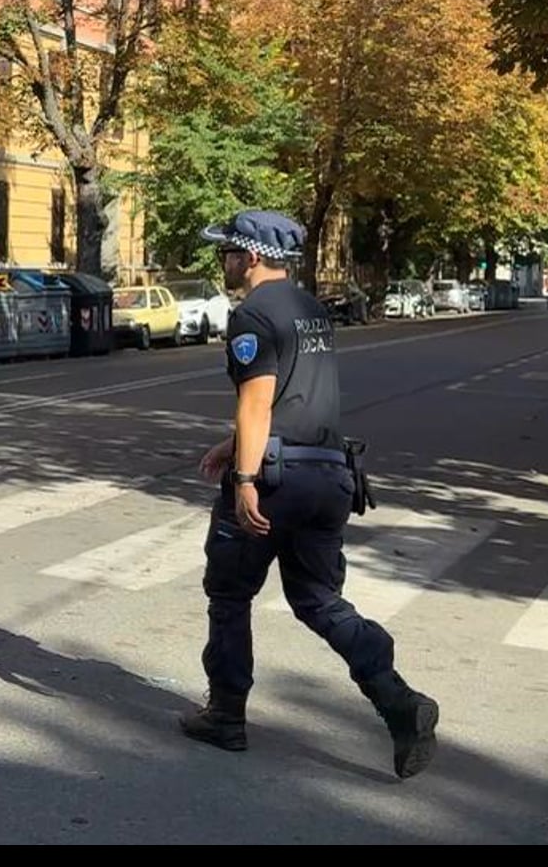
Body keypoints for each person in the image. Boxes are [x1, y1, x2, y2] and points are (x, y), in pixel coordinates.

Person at [184, 209, 440, 779]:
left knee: (229, 593)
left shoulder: (251, 314)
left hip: (275, 478)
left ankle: (225, 716)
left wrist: (245, 478)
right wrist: (234, 445)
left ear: (249, 256)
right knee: (320, 601)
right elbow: (299, 397)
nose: (222, 260)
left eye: (227, 251)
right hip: (328, 474)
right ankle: (399, 703)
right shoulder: (311, 310)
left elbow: (258, 400)